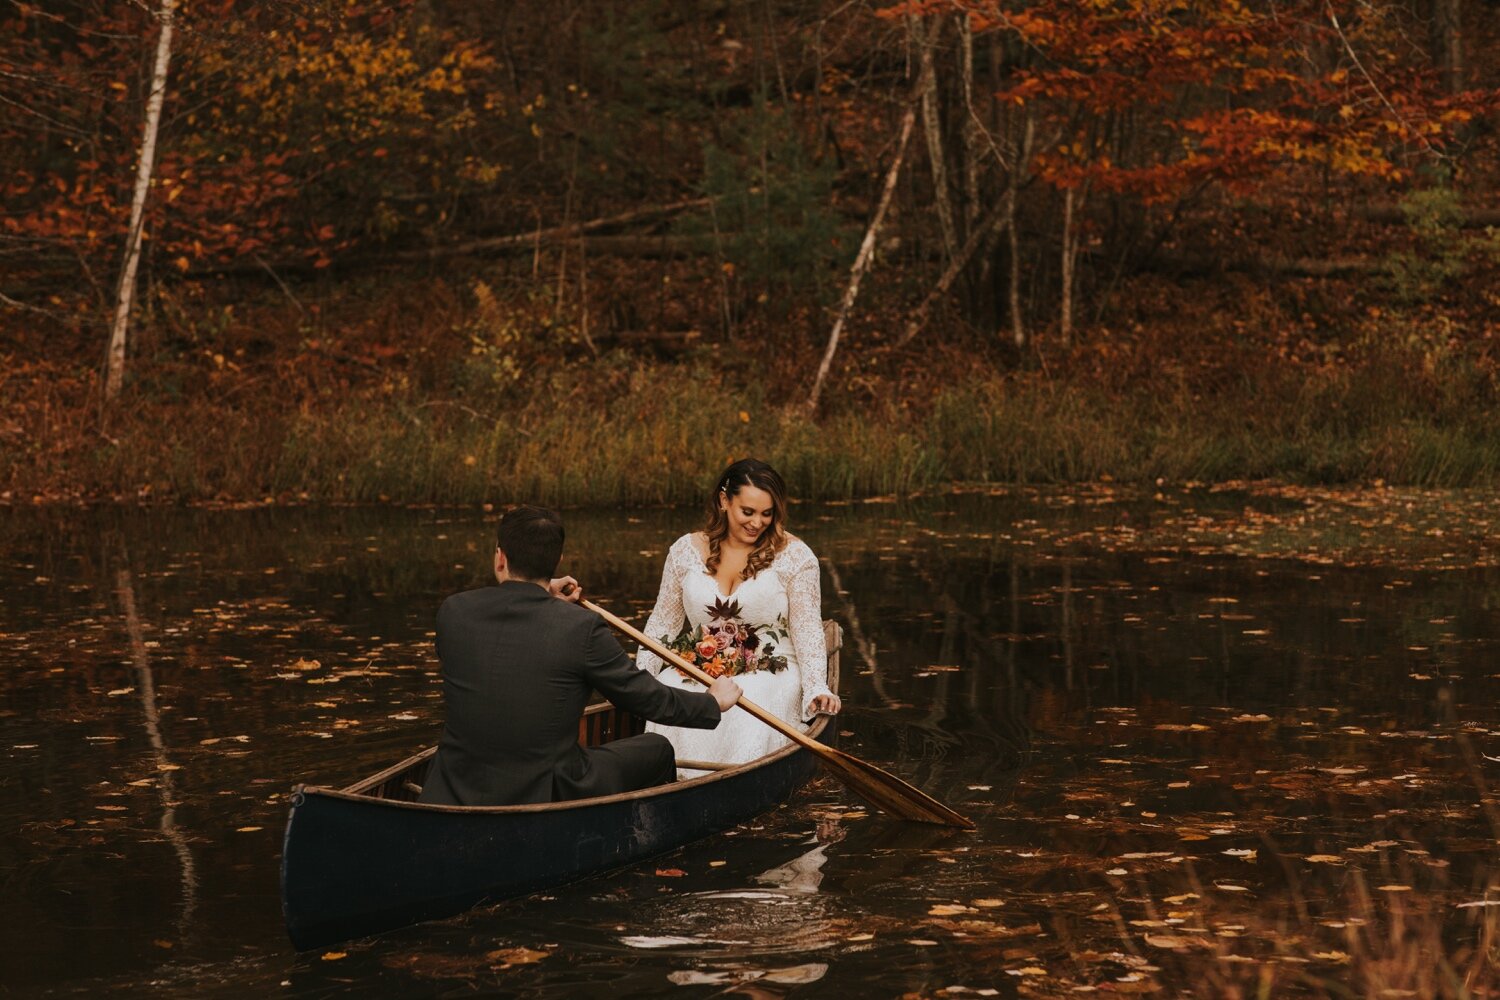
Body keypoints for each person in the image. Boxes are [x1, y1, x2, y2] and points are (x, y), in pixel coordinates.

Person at [418, 505, 742, 806]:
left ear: (500, 559)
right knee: (657, 749)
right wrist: (710, 703)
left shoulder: (453, 612)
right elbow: (644, 699)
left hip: (454, 785)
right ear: (558, 559)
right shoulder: (581, 627)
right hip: (546, 788)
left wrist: (543, 595)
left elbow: (505, 651)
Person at [637, 459, 841, 771]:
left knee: (750, 698)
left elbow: (807, 628)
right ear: (724, 501)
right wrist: (642, 678)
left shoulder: (796, 556)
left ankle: (734, 778)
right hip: (702, 666)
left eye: (766, 513)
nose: (757, 523)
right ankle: (673, 777)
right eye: (748, 511)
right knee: (671, 690)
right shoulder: (684, 551)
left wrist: (816, 686)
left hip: (773, 670)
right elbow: (664, 622)